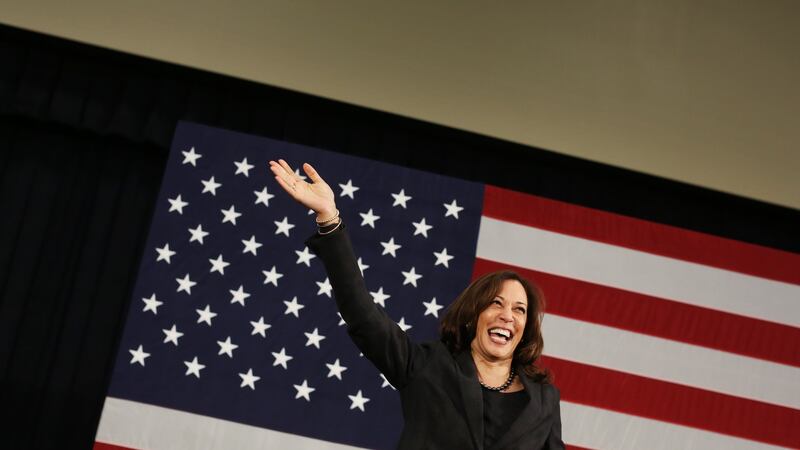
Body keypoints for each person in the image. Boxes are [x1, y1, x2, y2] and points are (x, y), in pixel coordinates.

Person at [269, 159, 564, 450]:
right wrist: (329, 219)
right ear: (474, 315)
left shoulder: (543, 400)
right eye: (496, 304)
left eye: (519, 309)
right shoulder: (428, 366)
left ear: (526, 328)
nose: (507, 316)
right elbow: (364, 316)